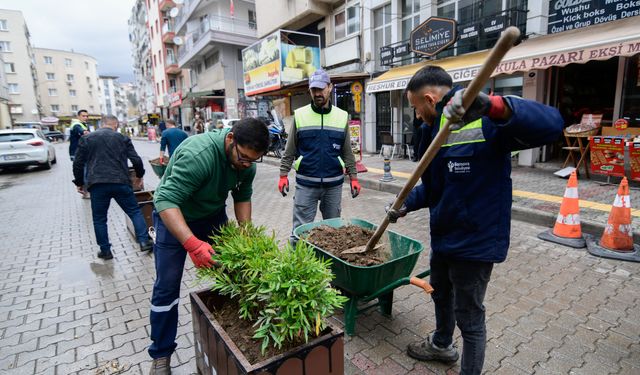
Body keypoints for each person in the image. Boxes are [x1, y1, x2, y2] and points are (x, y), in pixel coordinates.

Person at [385, 66, 562, 375]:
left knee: (469, 317)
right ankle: (441, 346)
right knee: (440, 293)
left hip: (475, 243)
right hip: (444, 236)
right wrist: (404, 205)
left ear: (429, 98)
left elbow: (552, 125)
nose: (416, 115)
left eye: (415, 107)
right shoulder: (434, 129)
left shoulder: (485, 119)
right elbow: (436, 186)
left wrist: (494, 106)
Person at [147, 118, 269, 374]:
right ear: (230, 139)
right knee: (167, 286)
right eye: (244, 157)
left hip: (212, 215)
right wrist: (192, 244)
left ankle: (238, 323)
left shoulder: (247, 164)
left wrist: (245, 235)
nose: (247, 164)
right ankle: (161, 355)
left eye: (252, 160)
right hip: (174, 216)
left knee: (233, 269)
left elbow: (242, 196)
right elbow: (166, 200)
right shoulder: (198, 155)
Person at [278, 69, 361, 245]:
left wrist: (354, 178)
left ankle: (330, 268)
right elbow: (290, 149)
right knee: (300, 233)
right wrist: (283, 175)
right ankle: (300, 270)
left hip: (333, 186)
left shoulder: (341, 116)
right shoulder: (300, 115)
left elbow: (347, 151)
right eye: (314, 89)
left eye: (321, 89)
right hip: (306, 184)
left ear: (330, 88)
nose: (317, 93)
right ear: (310, 90)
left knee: (333, 233)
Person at [72, 115, 154, 260]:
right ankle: (143, 241)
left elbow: (78, 163)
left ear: (101, 124)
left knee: (99, 218)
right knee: (134, 211)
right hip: (120, 181)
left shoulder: (87, 139)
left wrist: (79, 183)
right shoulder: (121, 138)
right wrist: (139, 176)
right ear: (115, 124)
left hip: (97, 184)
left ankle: (105, 251)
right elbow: (135, 159)